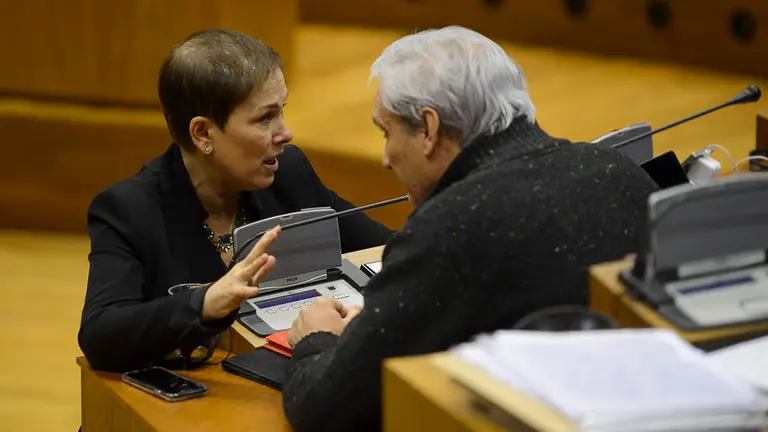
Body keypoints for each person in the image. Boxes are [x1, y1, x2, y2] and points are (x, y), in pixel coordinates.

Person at [281, 26, 660, 431]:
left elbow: (324, 407)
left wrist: (315, 342)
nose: (386, 159)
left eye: (386, 132)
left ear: (428, 129)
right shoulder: (621, 174)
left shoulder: (452, 227)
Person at [78, 28, 393, 373]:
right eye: (265, 118)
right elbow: (100, 334)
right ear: (202, 133)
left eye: (281, 111)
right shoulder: (129, 209)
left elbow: (388, 249)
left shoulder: (288, 174)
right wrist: (206, 302)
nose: (285, 133)